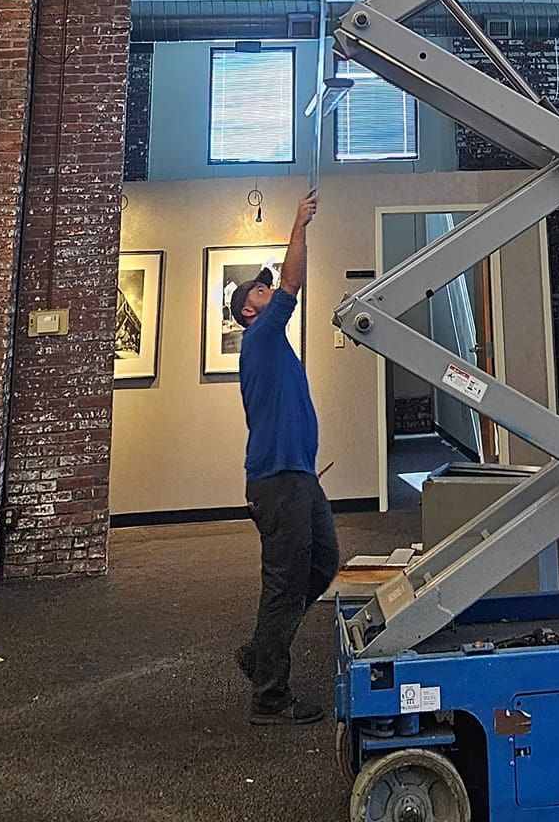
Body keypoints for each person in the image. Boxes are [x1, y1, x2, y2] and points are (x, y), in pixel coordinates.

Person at [230, 189, 338, 726]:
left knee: (323, 564)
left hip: (298, 477)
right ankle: (270, 697)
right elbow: (292, 281)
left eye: (266, 285)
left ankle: (262, 652)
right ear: (249, 311)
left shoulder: (273, 343)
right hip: (279, 481)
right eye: (261, 289)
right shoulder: (261, 336)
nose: (270, 289)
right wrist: (299, 223)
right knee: (284, 584)